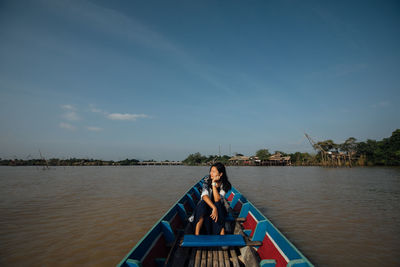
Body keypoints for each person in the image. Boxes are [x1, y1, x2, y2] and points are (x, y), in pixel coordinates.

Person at [191, 162, 232, 235]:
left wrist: (213, 184)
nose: (211, 173)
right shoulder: (206, 181)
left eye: (213, 171)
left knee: (218, 204)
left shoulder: (225, 185)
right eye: (210, 171)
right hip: (207, 205)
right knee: (202, 204)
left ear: (220, 174)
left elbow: (217, 199)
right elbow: (204, 196)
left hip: (218, 207)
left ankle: (222, 233)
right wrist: (213, 208)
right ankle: (197, 234)